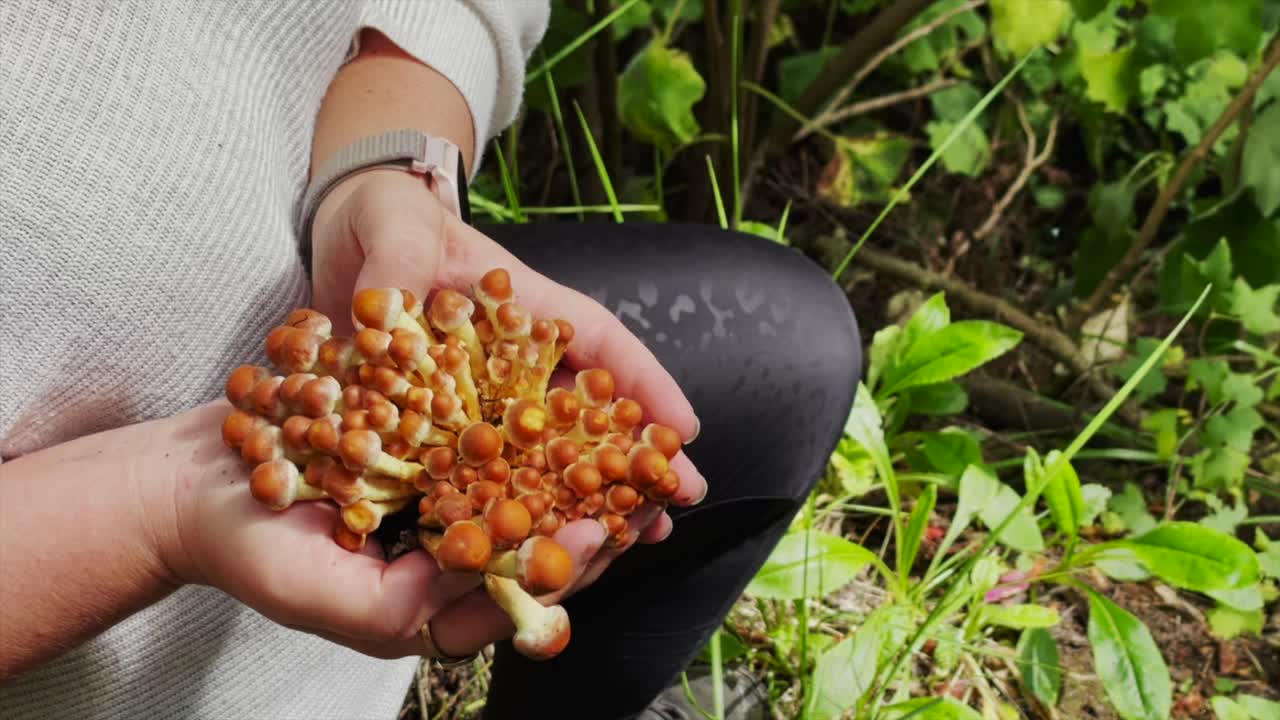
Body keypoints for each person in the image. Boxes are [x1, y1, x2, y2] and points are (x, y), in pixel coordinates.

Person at [0, 3, 860, 719]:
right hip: (126, 648)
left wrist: (378, 179)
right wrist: (154, 512)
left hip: (359, 362)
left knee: (796, 348)